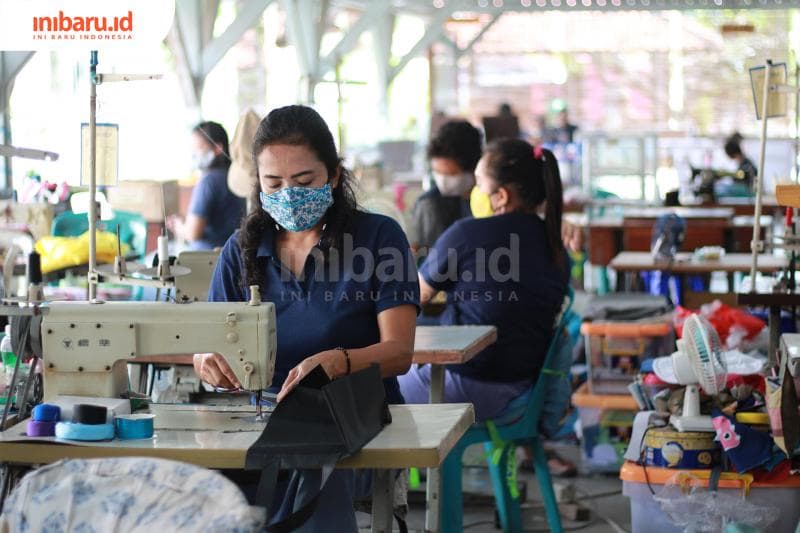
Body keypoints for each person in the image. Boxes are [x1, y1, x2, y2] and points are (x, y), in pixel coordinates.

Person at [193, 105, 419, 531]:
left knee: (309, 473)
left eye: (303, 181)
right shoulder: (241, 249)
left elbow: (400, 352)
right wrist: (205, 360)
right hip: (260, 418)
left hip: (356, 416)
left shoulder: (378, 239)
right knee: (201, 482)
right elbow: (210, 343)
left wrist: (338, 361)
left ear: (333, 175)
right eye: (273, 183)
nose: (288, 194)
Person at [399, 139, 569, 422]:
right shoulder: (554, 242)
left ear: (501, 196)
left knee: (367, 391)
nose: (473, 191)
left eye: (479, 182)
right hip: (523, 387)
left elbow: (411, 297)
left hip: (468, 386)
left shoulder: (467, 234)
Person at [168, 121, 246, 250]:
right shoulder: (233, 175)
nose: (194, 155)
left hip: (208, 259)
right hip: (232, 253)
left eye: (199, 149)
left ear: (218, 148)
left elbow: (193, 233)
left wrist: (178, 226)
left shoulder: (208, 181)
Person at [411, 120, 482, 251]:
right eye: (437, 173)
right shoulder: (429, 205)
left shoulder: (490, 202)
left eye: (451, 174)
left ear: (474, 168)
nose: (442, 181)